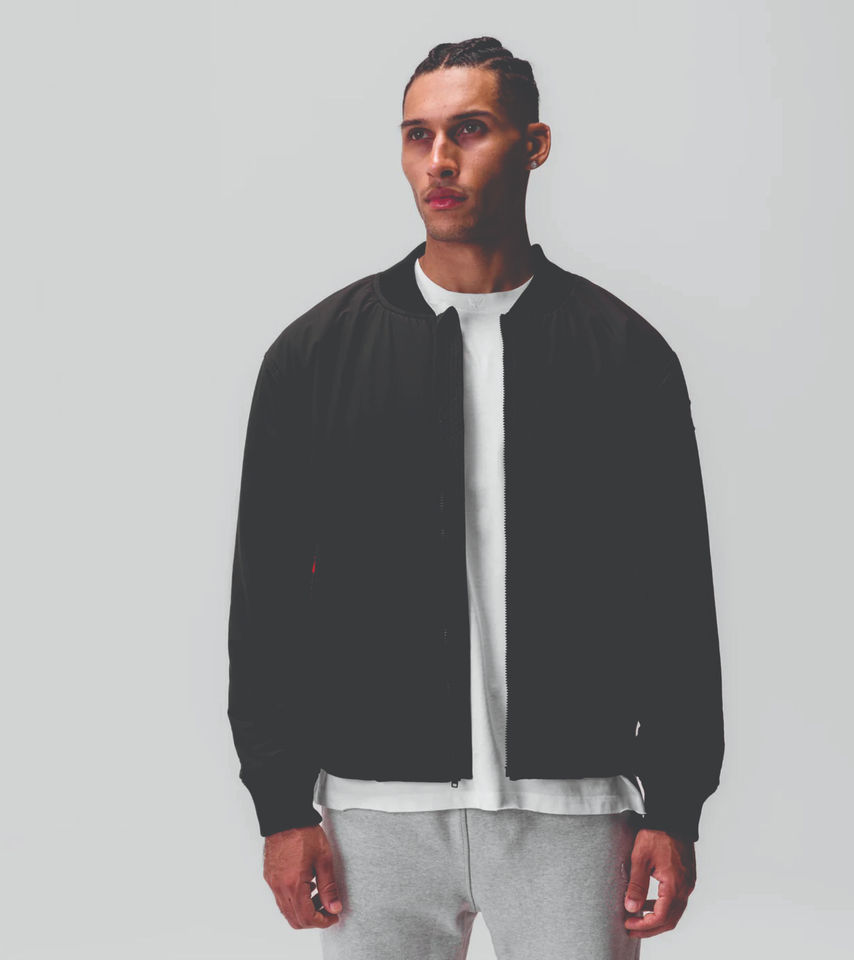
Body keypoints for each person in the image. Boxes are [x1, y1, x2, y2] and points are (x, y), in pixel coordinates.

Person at [227, 35, 724, 959]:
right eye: (418, 135)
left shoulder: (624, 355)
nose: (439, 160)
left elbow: (676, 598)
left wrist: (677, 804)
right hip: (373, 820)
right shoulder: (315, 357)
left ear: (534, 145)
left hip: (574, 815)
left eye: (470, 130)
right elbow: (267, 603)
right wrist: (280, 805)